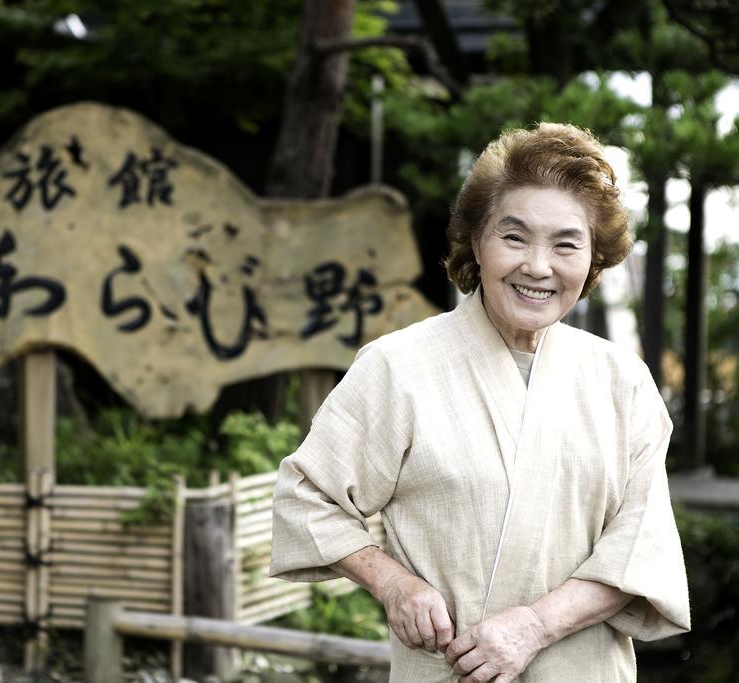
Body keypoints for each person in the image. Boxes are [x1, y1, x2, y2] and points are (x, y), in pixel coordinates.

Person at [270, 123, 690, 682]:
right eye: (514, 237)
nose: (538, 266)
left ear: (593, 260)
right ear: (477, 242)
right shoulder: (399, 367)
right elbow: (307, 496)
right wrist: (393, 583)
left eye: (566, 243)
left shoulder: (623, 383)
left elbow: (640, 546)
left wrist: (535, 626)